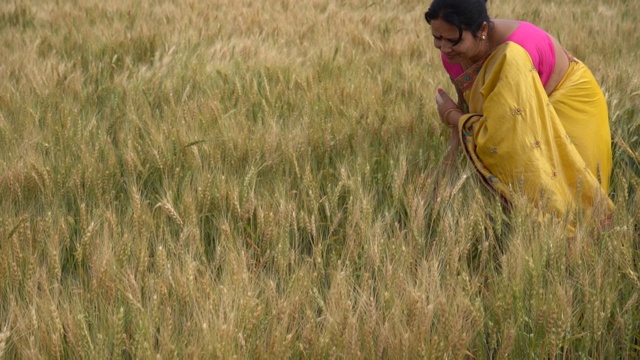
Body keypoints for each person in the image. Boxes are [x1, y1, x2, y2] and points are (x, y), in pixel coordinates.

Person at [424, 0, 613, 230]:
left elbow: (503, 135)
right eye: (437, 39)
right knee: (525, 198)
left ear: (482, 30)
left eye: (452, 40)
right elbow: (470, 108)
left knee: (577, 201)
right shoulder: (452, 55)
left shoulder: (515, 52)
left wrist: (452, 116)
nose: (444, 49)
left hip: (569, 102)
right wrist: (448, 166)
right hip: (523, 108)